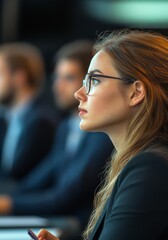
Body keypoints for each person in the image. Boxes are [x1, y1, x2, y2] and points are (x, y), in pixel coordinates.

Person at [38, 30, 168, 240]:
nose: (79, 93)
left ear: (136, 92)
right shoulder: (154, 160)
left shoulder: (153, 168)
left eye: (95, 80)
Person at [0, 40, 113, 231]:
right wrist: (6, 198)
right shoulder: (66, 127)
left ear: (91, 83)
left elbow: (65, 196)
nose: (57, 87)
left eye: (68, 78)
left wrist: (8, 204)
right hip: (63, 222)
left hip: (81, 229)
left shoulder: (102, 133)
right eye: (57, 78)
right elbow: (36, 181)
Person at [0, 43, 56, 181]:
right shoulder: (7, 118)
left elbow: (19, 179)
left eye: (0, 73)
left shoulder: (41, 122)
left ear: (19, 77)